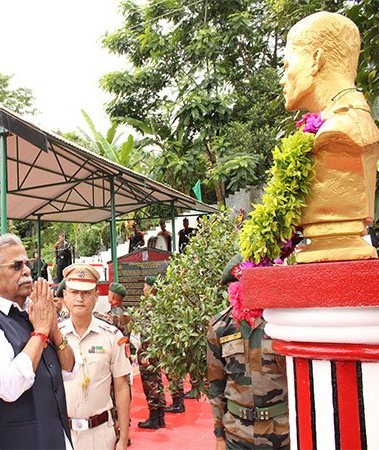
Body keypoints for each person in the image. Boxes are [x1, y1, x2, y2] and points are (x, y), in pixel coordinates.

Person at [0, 233, 76, 449]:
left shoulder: (31, 312)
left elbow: (70, 371)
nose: (27, 271)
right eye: (16, 265)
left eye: (27, 264)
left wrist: (54, 329)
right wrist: (40, 331)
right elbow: (9, 386)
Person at [280, 12, 379, 262]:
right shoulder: (333, 126)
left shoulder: (341, 132)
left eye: (287, 66)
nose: (283, 80)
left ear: (316, 60)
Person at [207, 254, 289, 449]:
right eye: (237, 286)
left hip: (282, 433)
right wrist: (219, 436)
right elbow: (216, 385)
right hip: (237, 435)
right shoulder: (220, 327)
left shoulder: (280, 323)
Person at [59, 264, 131, 450]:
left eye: (86, 293)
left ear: (96, 296)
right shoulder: (54, 337)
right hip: (62, 434)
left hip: (99, 435)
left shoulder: (111, 336)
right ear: (65, 295)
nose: (80, 299)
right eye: (74, 292)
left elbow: (122, 387)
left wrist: (123, 438)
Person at [136, 276, 167, 430]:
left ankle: (154, 418)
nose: (143, 289)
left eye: (145, 286)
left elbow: (147, 332)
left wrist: (146, 354)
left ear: (152, 288)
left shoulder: (150, 306)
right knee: (157, 382)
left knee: (150, 384)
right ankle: (160, 417)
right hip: (156, 351)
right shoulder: (160, 305)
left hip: (149, 351)